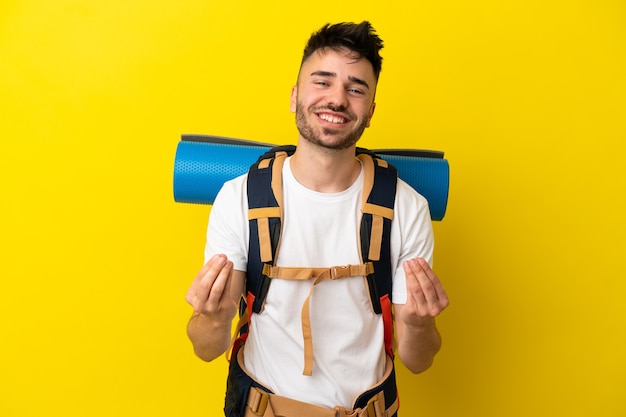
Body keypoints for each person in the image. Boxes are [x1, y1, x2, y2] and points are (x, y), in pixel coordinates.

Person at [185, 21, 449, 416]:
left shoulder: (406, 207)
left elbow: (418, 361)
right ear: (294, 96)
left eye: (355, 88)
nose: (337, 99)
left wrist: (417, 324)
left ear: (370, 111)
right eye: (322, 82)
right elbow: (207, 350)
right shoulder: (239, 198)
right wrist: (212, 316)